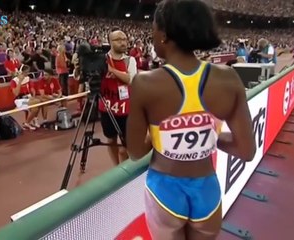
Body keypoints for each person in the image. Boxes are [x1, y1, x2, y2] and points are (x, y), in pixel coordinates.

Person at [126, 0, 256, 239]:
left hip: (165, 190)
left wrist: (163, 134)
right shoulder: (228, 78)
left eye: (153, 28)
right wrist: (207, 135)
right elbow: (246, 150)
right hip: (206, 190)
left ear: (163, 34)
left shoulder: (145, 83)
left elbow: (135, 151)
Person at [99, 27, 137, 165]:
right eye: (118, 40)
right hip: (107, 108)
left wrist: (111, 70)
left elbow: (130, 79)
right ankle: (116, 166)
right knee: (111, 140)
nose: (123, 42)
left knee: (128, 143)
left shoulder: (129, 60)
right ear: (110, 41)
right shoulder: (101, 59)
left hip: (126, 109)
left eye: (125, 39)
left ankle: (128, 168)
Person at [10, 64, 42, 130]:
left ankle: (29, 122)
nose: (27, 73)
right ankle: (28, 122)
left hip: (28, 98)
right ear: (21, 72)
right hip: (19, 100)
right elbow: (16, 94)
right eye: (26, 72)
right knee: (37, 103)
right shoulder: (14, 81)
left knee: (37, 104)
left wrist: (33, 96)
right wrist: (20, 81)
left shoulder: (28, 78)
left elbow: (32, 89)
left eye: (28, 71)